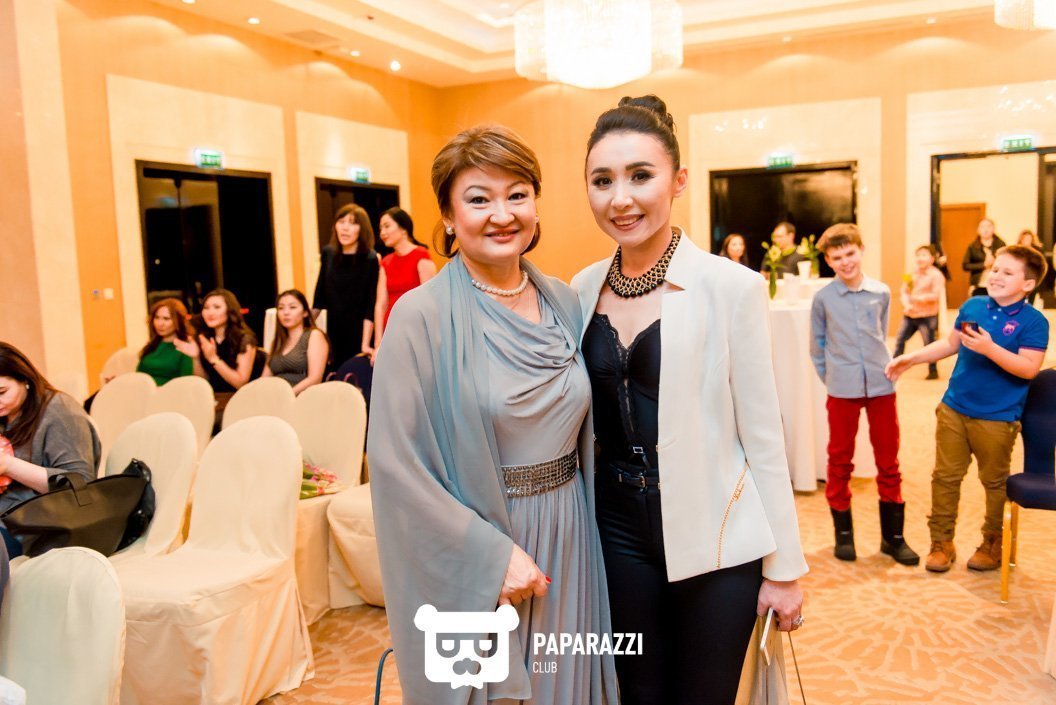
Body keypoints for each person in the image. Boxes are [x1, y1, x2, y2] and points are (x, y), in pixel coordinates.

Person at [367, 125, 617, 704]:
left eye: (517, 195)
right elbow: (395, 464)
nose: (502, 215)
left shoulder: (564, 299)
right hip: (487, 543)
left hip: (571, 532)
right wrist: (490, 556)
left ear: (536, 205)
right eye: (479, 199)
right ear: (448, 216)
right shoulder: (419, 316)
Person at [574, 95, 806, 705]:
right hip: (614, 531)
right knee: (636, 692)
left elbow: (764, 436)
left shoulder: (731, 287)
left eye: (640, 176)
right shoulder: (579, 289)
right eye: (603, 181)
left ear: (678, 181)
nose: (621, 199)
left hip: (717, 531)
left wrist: (785, 567)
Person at [887, 245, 1049, 573]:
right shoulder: (973, 305)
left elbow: (1028, 369)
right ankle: (941, 542)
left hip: (998, 418)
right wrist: (912, 358)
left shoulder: (1034, 322)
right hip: (954, 408)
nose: (996, 276)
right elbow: (950, 344)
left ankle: (992, 542)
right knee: (945, 478)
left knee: (994, 482)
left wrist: (989, 348)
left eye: (1007, 272)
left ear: (1028, 284)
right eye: (995, 269)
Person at [810, 224, 919, 567]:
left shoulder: (881, 292)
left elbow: (880, 333)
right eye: (837, 257)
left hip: (881, 384)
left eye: (850, 253)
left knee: (889, 459)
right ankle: (844, 535)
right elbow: (817, 346)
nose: (845, 262)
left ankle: (893, 538)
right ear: (828, 261)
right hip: (842, 388)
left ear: (861, 250)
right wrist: (833, 378)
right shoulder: (823, 299)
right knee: (839, 458)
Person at [0, 342, 101, 558]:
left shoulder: (60, 413)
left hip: (37, 527)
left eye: (2, 392)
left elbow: (80, 485)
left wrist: (8, 465)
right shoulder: (6, 413)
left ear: (25, 379)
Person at [313, 204, 383, 367]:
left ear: (362, 229)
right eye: (341, 221)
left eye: (352, 223)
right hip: (334, 329)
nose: (345, 228)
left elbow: (371, 304)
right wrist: (305, 329)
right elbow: (318, 297)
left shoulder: (371, 259)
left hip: (361, 332)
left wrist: (365, 343)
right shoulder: (328, 253)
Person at [377, 207, 437, 338]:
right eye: (381, 228)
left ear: (404, 228)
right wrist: (378, 341)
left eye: (387, 226)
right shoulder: (385, 262)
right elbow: (381, 305)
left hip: (416, 330)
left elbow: (431, 301)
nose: (382, 232)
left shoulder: (421, 256)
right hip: (391, 331)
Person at [186, 289, 257, 394]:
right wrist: (195, 358)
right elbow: (204, 382)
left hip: (240, 397)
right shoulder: (205, 338)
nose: (210, 313)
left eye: (217, 307)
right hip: (212, 397)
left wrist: (214, 359)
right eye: (206, 308)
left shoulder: (245, 339)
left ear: (230, 310)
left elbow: (240, 383)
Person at [893, 245, 946, 380]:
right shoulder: (910, 273)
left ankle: (933, 371)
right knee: (900, 339)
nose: (920, 258)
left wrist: (917, 299)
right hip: (910, 314)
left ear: (932, 259)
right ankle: (895, 365)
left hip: (928, 316)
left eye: (924, 255)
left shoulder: (936, 275)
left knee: (929, 344)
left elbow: (935, 295)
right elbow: (904, 291)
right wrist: (906, 304)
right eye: (918, 255)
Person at [262, 289, 329, 395]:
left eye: (292, 307)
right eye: (281, 308)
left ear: (305, 312)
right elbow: (265, 378)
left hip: (302, 397)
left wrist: (287, 395)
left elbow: (315, 378)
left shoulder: (314, 336)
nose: (286, 312)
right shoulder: (278, 340)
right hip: (274, 396)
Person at [138, 298, 195, 385]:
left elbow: (186, 383)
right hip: (143, 390)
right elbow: (138, 375)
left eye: (166, 318)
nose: (160, 323)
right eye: (157, 317)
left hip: (171, 392)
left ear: (178, 321)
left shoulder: (186, 348)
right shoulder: (153, 344)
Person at [962, 218, 1006, 298]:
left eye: (988, 226)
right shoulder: (973, 246)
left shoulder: (1001, 245)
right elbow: (965, 265)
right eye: (982, 227)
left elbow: (1007, 263)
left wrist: (995, 263)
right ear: (978, 230)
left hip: (997, 284)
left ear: (993, 229)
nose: (986, 229)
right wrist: (984, 265)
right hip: (979, 285)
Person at [1017, 230, 1046, 304]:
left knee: (1031, 299)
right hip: (1020, 277)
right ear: (1021, 240)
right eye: (1025, 239)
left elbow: (1041, 263)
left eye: (1028, 239)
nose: (1027, 241)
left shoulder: (1038, 251)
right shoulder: (1017, 251)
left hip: (1033, 277)